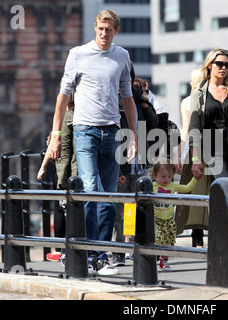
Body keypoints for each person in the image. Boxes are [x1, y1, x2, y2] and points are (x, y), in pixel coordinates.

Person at [48, 9, 137, 276]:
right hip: (84, 130)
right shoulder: (77, 54)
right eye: (100, 28)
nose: (103, 33)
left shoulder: (121, 56)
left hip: (111, 131)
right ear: (95, 28)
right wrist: (56, 135)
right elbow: (62, 99)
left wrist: (132, 136)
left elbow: (128, 100)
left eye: (109, 29)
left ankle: (100, 255)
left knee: (108, 198)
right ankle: (87, 254)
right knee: (89, 191)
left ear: (116, 31)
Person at [176, 48, 228, 235]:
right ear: (210, 66)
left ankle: (226, 236)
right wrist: (195, 160)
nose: (223, 68)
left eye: (227, 65)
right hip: (212, 147)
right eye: (219, 64)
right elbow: (194, 128)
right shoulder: (200, 94)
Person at [112, 62, 158, 267]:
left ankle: (138, 248)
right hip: (121, 164)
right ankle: (120, 252)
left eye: (127, 78)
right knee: (121, 211)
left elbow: (154, 124)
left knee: (138, 208)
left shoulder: (139, 98)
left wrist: (146, 104)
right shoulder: (114, 98)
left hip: (140, 164)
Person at [37, 94, 76, 264]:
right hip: (64, 171)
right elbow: (52, 144)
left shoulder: (68, 115)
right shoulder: (68, 115)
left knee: (65, 209)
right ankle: (63, 249)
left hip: (66, 171)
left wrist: (43, 166)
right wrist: (43, 166)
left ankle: (64, 249)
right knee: (62, 209)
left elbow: (52, 143)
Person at [176, 68, 206, 248]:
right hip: (212, 148)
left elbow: (186, 129)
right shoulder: (211, 98)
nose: (189, 83)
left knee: (191, 191)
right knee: (208, 192)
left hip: (193, 151)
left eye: (191, 80)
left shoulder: (186, 102)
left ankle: (197, 240)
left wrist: (180, 152)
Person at [151, 159, 198, 271]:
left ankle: (164, 261)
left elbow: (187, 188)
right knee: (157, 239)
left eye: (169, 176)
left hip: (168, 219)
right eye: (163, 176)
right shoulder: (152, 186)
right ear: (155, 175)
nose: (166, 179)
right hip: (156, 219)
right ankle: (154, 256)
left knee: (168, 242)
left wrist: (195, 179)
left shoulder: (172, 186)